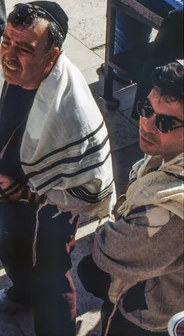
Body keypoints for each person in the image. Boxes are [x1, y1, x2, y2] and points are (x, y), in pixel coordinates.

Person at [0, 1, 116, 335]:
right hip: (5, 197)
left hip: (50, 210)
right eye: (6, 41)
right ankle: (21, 293)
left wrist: (26, 192)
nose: (9, 55)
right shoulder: (3, 72)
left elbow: (91, 188)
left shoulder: (74, 112)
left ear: (52, 55)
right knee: (9, 247)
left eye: (24, 48)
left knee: (51, 275)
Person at [78, 62, 184, 336]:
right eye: (146, 109)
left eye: (165, 122)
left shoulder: (172, 211)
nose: (146, 125)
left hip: (151, 317)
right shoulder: (168, 155)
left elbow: (108, 251)